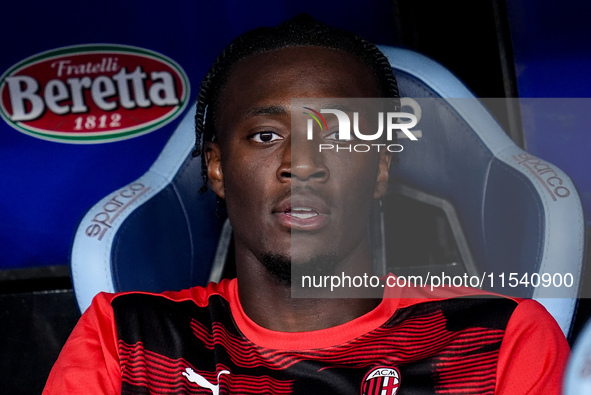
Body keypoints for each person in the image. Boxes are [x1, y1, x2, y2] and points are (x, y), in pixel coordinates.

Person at [44, 15, 569, 394]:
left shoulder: (500, 340)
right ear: (217, 169)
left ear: (380, 169)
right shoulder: (126, 340)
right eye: (267, 134)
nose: (303, 161)